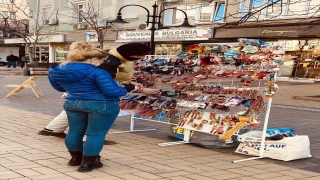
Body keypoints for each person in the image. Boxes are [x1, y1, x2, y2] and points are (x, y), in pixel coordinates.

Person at [38, 43, 160, 143]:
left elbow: (115, 78)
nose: (141, 58)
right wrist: (136, 89)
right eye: (139, 56)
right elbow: (109, 82)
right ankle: (90, 140)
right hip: (99, 94)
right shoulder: (109, 62)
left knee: (76, 113)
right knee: (97, 115)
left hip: (78, 96)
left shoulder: (113, 58)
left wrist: (132, 83)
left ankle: (53, 129)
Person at [48, 41, 128, 172]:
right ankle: (88, 163)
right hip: (100, 104)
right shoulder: (98, 72)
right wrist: (128, 89)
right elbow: (113, 91)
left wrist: (76, 90)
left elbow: (59, 87)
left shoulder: (56, 70)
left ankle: (75, 158)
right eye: (103, 60)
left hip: (73, 103)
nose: (103, 63)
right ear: (93, 59)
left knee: (74, 132)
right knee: (95, 134)